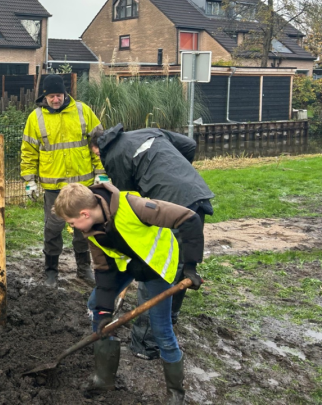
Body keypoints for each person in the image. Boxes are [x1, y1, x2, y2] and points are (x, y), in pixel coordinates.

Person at [53, 181, 204, 405]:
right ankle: (103, 378)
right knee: (97, 306)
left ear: (84, 213)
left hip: (157, 265)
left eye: (72, 222)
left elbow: (188, 217)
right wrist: (104, 313)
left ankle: (175, 394)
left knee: (161, 329)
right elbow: (103, 271)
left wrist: (190, 266)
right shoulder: (92, 229)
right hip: (130, 263)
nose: (73, 227)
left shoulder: (134, 206)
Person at [90, 123, 214, 360]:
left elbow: (125, 202)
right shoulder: (148, 131)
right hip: (195, 195)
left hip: (169, 204)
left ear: (98, 148)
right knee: (176, 266)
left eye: (96, 154)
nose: (98, 157)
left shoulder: (113, 155)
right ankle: (169, 318)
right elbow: (189, 145)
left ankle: (145, 344)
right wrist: (176, 174)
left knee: (153, 269)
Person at [20, 73, 105, 287]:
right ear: (44, 97)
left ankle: (84, 268)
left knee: (84, 228)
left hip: (83, 185)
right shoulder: (35, 118)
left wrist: (101, 171)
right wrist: (29, 180)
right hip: (54, 186)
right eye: (51, 96)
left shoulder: (82, 111)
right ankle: (51, 270)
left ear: (65, 93)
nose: (55, 100)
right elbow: (29, 151)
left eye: (58, 95)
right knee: (53, 228)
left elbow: (99, 143)